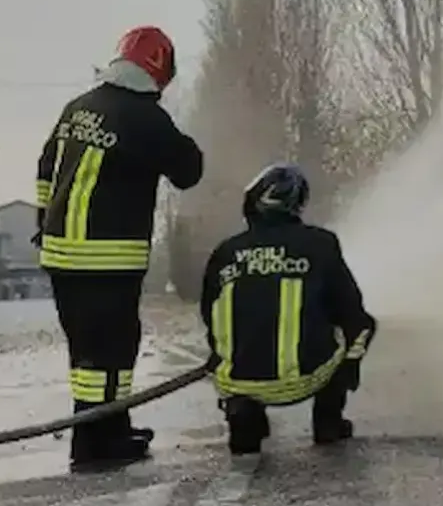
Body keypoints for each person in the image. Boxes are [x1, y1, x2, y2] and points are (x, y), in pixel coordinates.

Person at [34, 25, 203, 471]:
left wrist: (43, 224)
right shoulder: (145, 117)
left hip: (60, 255)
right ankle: (93, 445)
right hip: (107, 258)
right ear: (157, 71)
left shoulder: (78, 108)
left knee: (87, 351)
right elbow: (188, 170)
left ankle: (109, 428)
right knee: (111, 350)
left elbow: (45, 170)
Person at [199, 162, 377, 456]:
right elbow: (351, 313)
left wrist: (220, 357)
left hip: (236, 381)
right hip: (306, 380)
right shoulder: (322, 243)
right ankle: (328, 419)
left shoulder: (225, 251)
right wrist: (347, 363)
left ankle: (243, 413)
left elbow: (209, 314)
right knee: (361, 328)